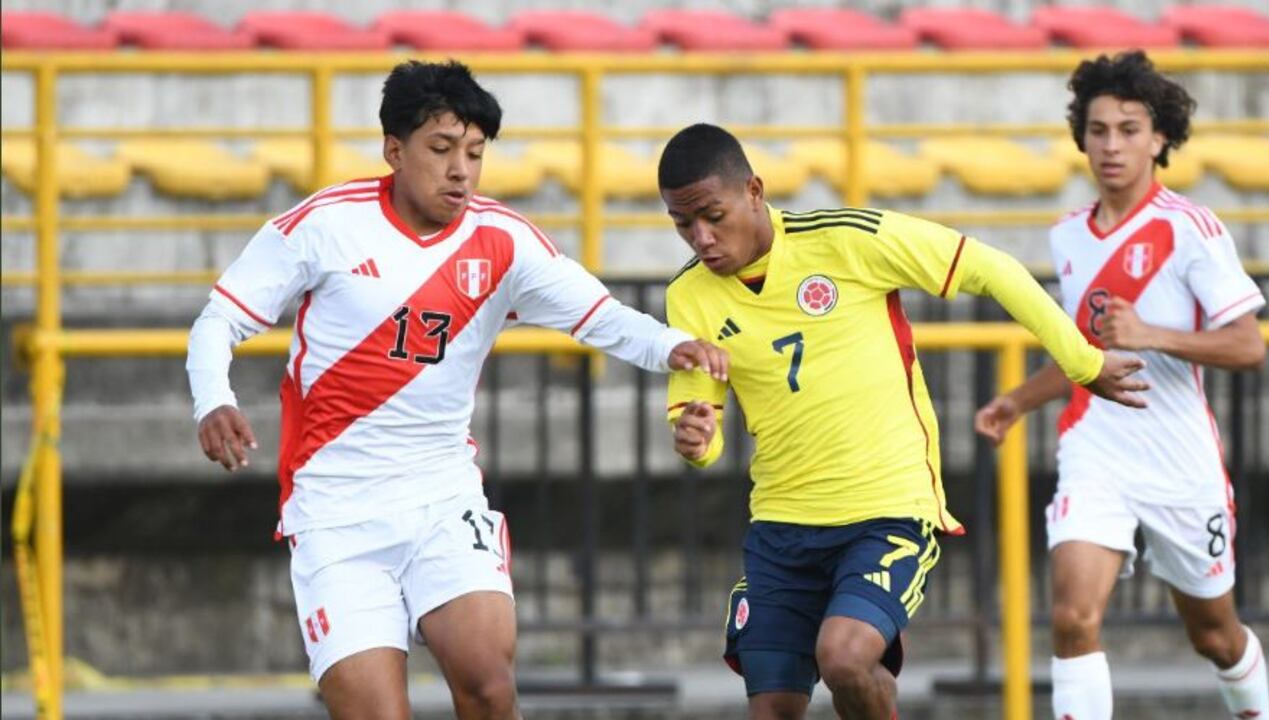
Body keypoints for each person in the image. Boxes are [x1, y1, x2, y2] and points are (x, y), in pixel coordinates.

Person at [185, 60, 727, 720]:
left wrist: (671, 345)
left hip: (442, 499)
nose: (460, 171)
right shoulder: (324, 226)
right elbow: (220, 318)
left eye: (473, 153)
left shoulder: (503, 240)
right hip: (335, 513)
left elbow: (600, 315)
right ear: (394, 150)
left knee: (489, 686)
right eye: (441, 149)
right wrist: (214, 399)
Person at [658, 122, 1148, 720]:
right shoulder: (688, 296)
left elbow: (989, 268)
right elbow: (699, 421)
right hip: (781, 525)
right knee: (775, 709)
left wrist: (1084, 363)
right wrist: (697, 440)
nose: (702, 238)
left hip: (886, 510)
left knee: (844, 657)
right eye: (683, 224)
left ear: (754, 191)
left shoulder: (845, 240)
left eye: (713, 216)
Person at [974, 51, 1269, 720]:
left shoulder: (1190, 228)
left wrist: (1151, 334)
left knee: (1215, 636)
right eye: (1099, 130)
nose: (1112, 145)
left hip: (1179, 460)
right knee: (1073, 617)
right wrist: (1015, 401)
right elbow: (1086, 353)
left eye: (1129, 130)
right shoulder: (1068, 236)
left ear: (1159, 138)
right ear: (1082, 138)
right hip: (1096, 448)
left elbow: (1249, 346)